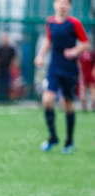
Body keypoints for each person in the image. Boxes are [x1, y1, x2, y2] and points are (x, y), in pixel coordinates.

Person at [35, 0, 89, 154]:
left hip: (70, 70)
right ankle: (53, 137)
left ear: (69, 6)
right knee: (47, 100)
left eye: (66, 3)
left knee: (67, 105)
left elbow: (85, 44)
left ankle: (69, 141)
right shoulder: (50, 22)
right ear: (54, 4)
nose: (62, 6)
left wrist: (74, 50)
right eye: (60, 2)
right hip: (54, 68)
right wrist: (40, 56)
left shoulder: (74, 23)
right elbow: (48, 39)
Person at [0, 34, 17, 101]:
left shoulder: (11, 49)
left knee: (7, 84)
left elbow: (14, 59)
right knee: (0, 84)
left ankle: (6, 99)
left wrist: (12, 67)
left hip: (8, 69)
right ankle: (0, 98)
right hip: (1, 69)